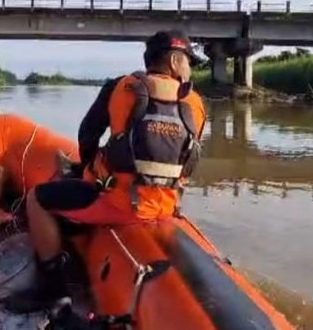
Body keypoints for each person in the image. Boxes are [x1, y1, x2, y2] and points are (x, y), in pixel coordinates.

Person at [20, 30, 207, 329]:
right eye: (188, 62)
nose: (189, 68)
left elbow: (88, 135)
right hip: (167, 207)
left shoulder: (121, 87)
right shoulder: (196, 104)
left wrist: (90, 173)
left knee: (37, 199)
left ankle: (54, 293)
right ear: (174, 60)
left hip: (121, 206)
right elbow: (187, 161)